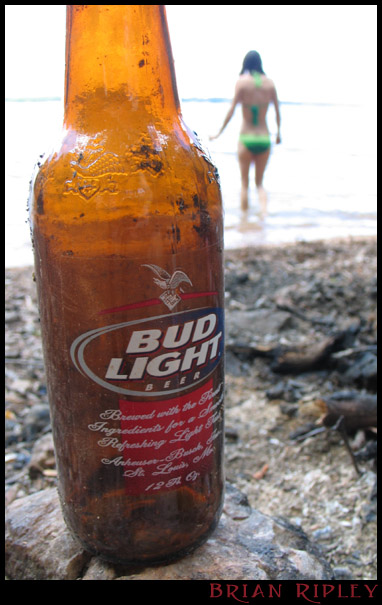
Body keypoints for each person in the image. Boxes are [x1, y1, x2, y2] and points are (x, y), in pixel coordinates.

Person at [210, 50, 281, 211]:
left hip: (246, 138)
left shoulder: (241, 83)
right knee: (260, 184)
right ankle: (263, 217)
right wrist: (279, 134)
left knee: (244, 184)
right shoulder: (270, 84)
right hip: (264, 138)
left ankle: (244, 221)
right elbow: (277, 112)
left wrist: (218, 133)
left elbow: (231, 111)